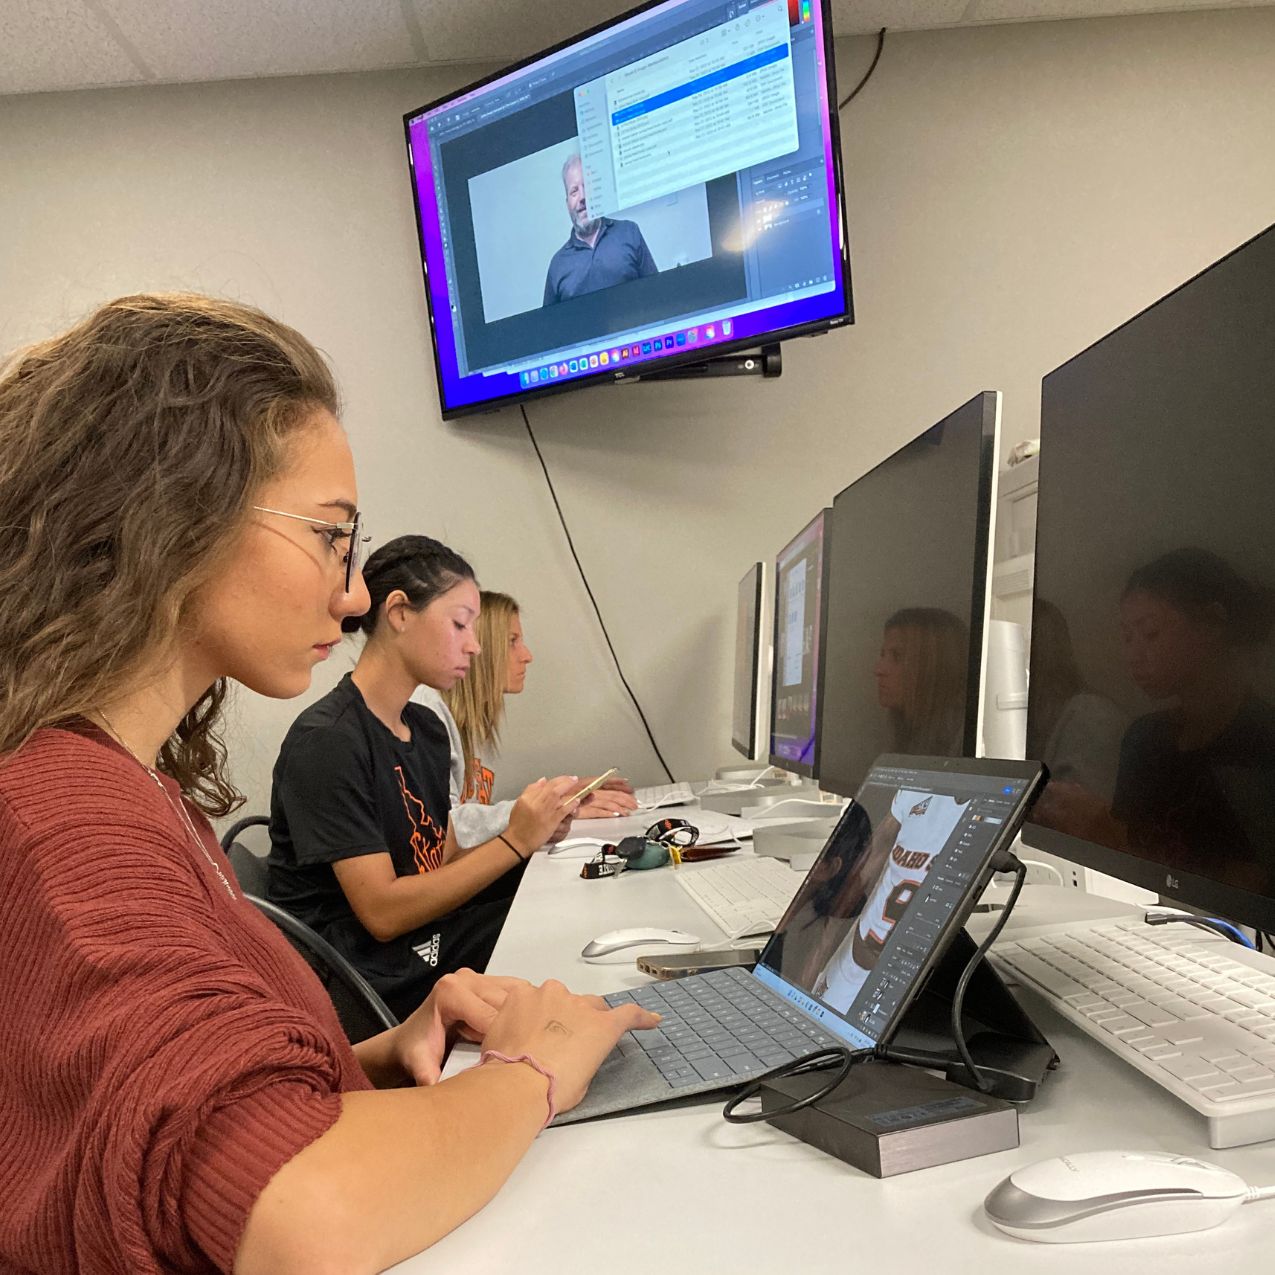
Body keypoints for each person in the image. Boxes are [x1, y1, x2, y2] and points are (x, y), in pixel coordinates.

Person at [0, 293, 656, 1275]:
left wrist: (376, 1060)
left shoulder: (134, 787)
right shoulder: (62, 818)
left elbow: (188, 1098)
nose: (347, 592)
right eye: (328, 537)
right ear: (174, 522)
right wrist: (530, 1073)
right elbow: (300, 1209)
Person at [268, 538, 582, 1019]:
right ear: (398, 613)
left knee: (549, 883)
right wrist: (514, 842)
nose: (475, 645)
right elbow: (384, 914)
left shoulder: (428, 729)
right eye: (459, 624)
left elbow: (440, 852)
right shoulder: (328, 741)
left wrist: (532, 838)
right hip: (361, 972)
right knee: (547, 925)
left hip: (411, 935)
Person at [412, 589, 636, 849]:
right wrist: (544, 812)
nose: (526, 655)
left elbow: (470, 820)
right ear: (480, 647)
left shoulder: (463, 716)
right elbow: (446, 826)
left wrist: (559, 800)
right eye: (511, 641)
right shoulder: (427, 708)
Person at [811, 787, 968, 1014]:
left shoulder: (985, 811)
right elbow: (870, 860)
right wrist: (822, 943)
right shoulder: (915, 791)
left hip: (898, 975)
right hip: (857, 949)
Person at [542, 152, 658, 305]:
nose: (582, 197)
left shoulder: (629, 232)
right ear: (567, 203)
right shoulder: (557, 265)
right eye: (574, 191)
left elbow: (658, 294)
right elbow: (550, 326)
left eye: (587, 186)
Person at [874, 607, 968, 756]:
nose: (878, 670)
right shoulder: (901, 729)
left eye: (897, 656)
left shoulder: (962, 740)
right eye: (883, 654)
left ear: (934, 665)